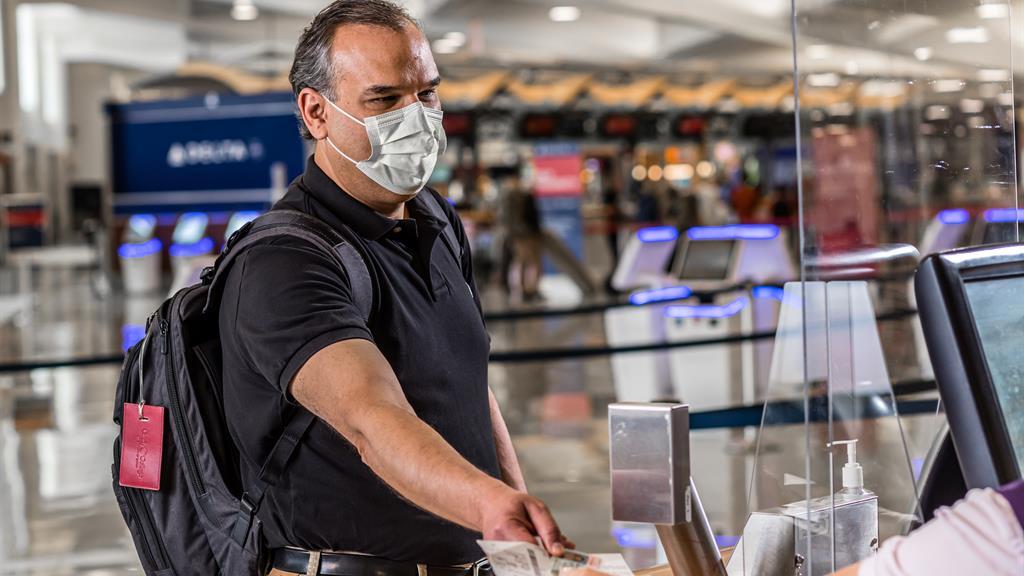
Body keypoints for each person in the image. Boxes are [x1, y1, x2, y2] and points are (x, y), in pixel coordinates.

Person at [216, 2, 571, 575]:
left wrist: (520, 543)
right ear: (316, 113)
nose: (416, 117)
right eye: (383, 100)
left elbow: (468, 387)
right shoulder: (282, 262)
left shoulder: (436, 220)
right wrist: (487, 504)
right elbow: (372, 420)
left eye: (426, 93)